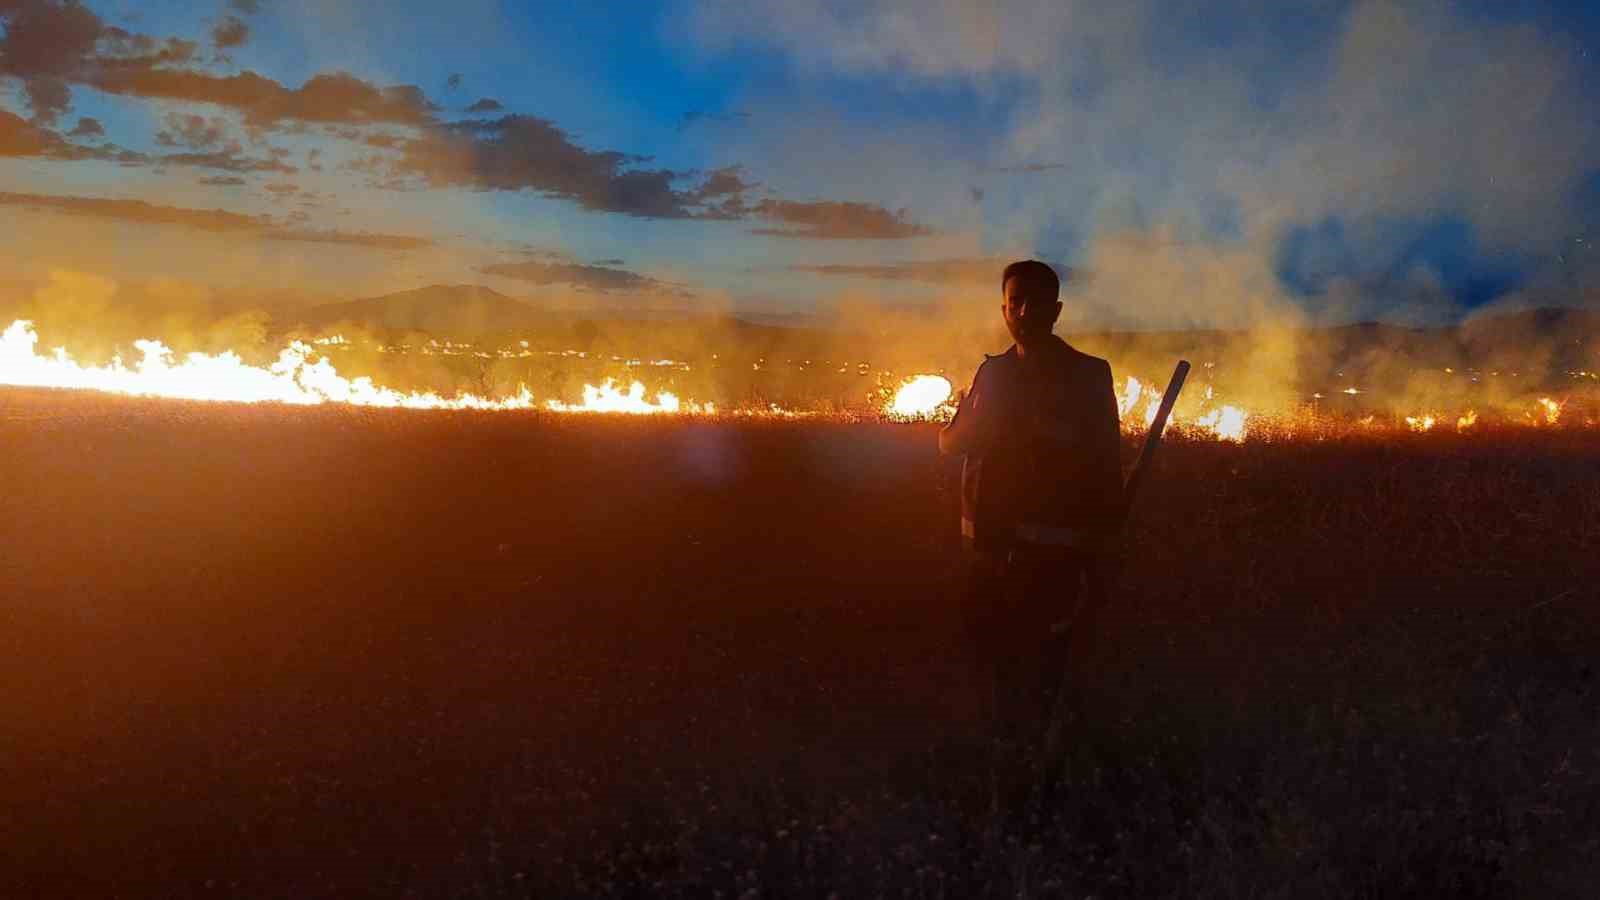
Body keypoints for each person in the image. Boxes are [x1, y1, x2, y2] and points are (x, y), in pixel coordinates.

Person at [939, 260, 1124, 739]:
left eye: (1034, 302)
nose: (1022, 312)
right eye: (1013, 302)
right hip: (986, 553)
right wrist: (956, 430)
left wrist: (1100, 548)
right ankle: (998, 754)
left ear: (1056, 310)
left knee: (1043, 669)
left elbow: (1105, 465)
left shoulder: (1086, 376)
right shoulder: (993, 373)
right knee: (989, 665)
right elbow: (956, 443)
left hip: (1051, 559)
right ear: (1003, 308)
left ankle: (1039, 759)